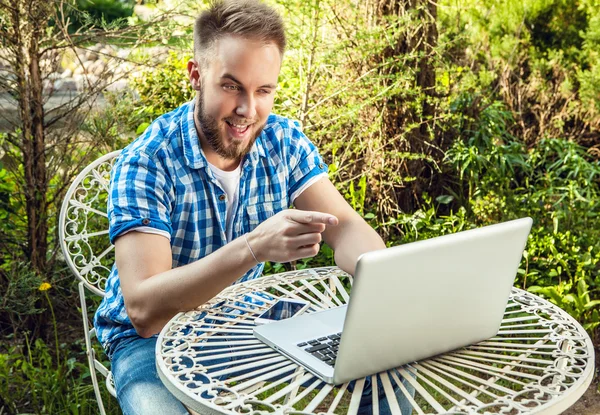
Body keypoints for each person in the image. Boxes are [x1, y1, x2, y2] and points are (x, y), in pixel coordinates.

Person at [94, 1, 406, 414]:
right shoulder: (149, 161)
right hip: (149, 342)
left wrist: (385, 283)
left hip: (247, 320)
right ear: (196, 75)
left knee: (383, 374)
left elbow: (345, 227)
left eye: (263, 91)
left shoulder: (282, 141)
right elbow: (145, 309)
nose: (248, 110)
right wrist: (254, 247)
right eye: (231, 86)